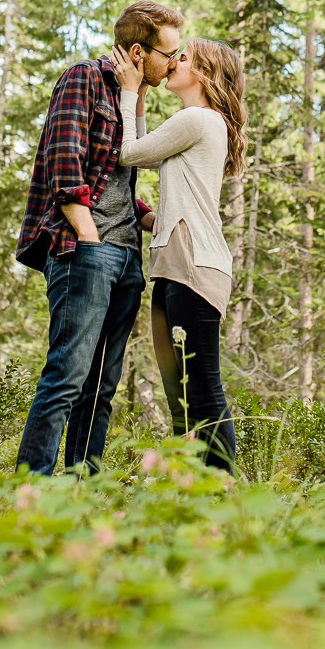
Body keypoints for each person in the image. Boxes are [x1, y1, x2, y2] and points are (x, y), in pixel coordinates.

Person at [13, 1, 184, 474]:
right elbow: (64, 164)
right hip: (86, 252)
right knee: (66, 377)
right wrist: (88, 238)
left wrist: (145, 219)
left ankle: (80, 491)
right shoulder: (83, 78)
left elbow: (120, 173)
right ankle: (30, 491)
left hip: (127, 258)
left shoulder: (131, 95)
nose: (175, 62)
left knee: (101, 388)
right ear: (137, 50)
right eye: (169, 53)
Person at [111, 38, 246, 474]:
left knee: (202, 390)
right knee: (181, 395)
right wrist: (143, 93)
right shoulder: (197, 123)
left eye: (181, 58)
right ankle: (197, 494)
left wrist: (130, 90)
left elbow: (128, 153)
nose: (171, 62)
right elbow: (149, 150)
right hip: (179, 263)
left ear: (204, 74)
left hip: (192, 264)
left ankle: (227, 495)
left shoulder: (198, 118)